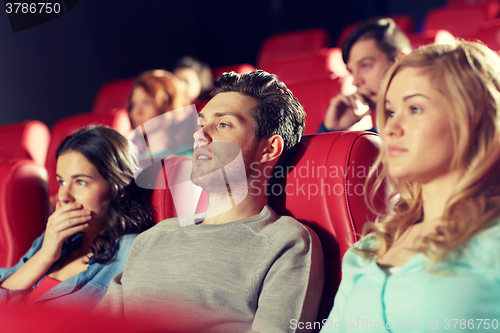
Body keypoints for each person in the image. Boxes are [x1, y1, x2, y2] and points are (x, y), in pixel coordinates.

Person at [97, 70, 325, 333]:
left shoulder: (287, 242)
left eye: (223, 125)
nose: (199, 136)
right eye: (199, 124)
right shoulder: (152, 237)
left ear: (269, 149)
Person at [321, 41, 500, 333]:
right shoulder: (369, 248)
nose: (390, 127)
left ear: (472, 118)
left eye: (414, 109)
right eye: (390, 112)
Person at [0, 126, 153, 310]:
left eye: (81, 182)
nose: (64, 196)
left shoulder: (133, 251)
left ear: (117, 188)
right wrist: (45, 255)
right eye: (61, 181)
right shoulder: (55, 238)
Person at [318, 17, 412, 133]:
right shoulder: (374, 137)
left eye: (365, 66)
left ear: (400, 62)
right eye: (351, 71)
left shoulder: (433, 119)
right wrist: (332, 130)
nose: (355, 82)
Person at [128, 69, 198, 160]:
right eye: (134, 104)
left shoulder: (185, 158)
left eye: (148, 102)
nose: (137, 112)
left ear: (168, 106)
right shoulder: (131, 158)